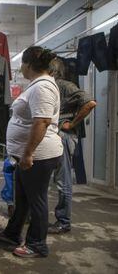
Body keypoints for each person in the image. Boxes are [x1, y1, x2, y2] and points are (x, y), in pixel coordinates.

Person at [0, 46, 63, 258]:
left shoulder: (42, 87)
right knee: (23, 198)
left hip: (38, 156)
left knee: (36, 200)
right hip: (28, 155)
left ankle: (37, 245)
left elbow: (42, 122)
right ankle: (13, 232)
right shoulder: (36, 86)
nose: (20, 68)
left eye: (21, 64)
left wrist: (28, 154)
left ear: (28, 65)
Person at [48, 58, 96, 234]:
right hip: (57, 135)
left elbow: (90, 102)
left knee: (63, 180)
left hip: (64, 135)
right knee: (56, 179)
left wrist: (72, 123)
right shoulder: (52, 86)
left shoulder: (65, 85)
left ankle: (63, 221)